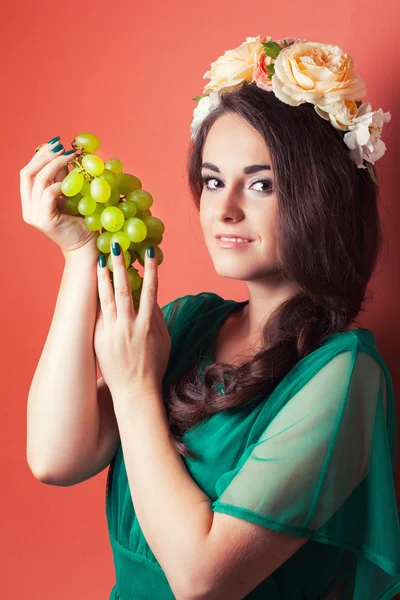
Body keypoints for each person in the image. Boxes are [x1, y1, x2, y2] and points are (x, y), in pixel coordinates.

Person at [22, 36, 400, 599]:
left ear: (323, 195)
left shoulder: (344, 374)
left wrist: (133, 389)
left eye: (262, 184)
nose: (224, 208)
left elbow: (204, 580)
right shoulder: (191, 321)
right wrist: (80, 254)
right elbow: (56, 458)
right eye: (214, 179)